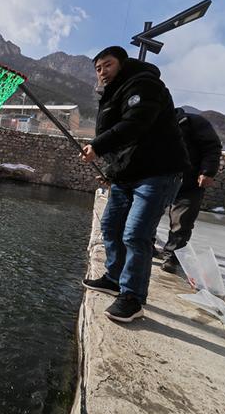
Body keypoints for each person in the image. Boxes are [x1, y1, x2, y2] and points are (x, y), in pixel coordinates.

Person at [80, 46, 189, 323]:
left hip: (158, 172)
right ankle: (114, 278)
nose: (102, 72)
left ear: (123, 64)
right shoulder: (111, 94)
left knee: (136, 233)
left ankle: (132, 298)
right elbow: (121, 145)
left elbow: (135, 125)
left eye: (108, 65)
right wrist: (110, 170)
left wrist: (97, 145)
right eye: (98, 68)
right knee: (110, 226)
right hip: (127, 174)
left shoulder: (143, 85)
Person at [160, 108, 222, 272]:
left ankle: (172, 257)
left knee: (182, 221)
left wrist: (207, 172)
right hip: (161, 179)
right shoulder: (153, 124)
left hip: (190, 182)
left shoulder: (195, 122)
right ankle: (148, 246)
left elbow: (212, 147)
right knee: (147, 215)